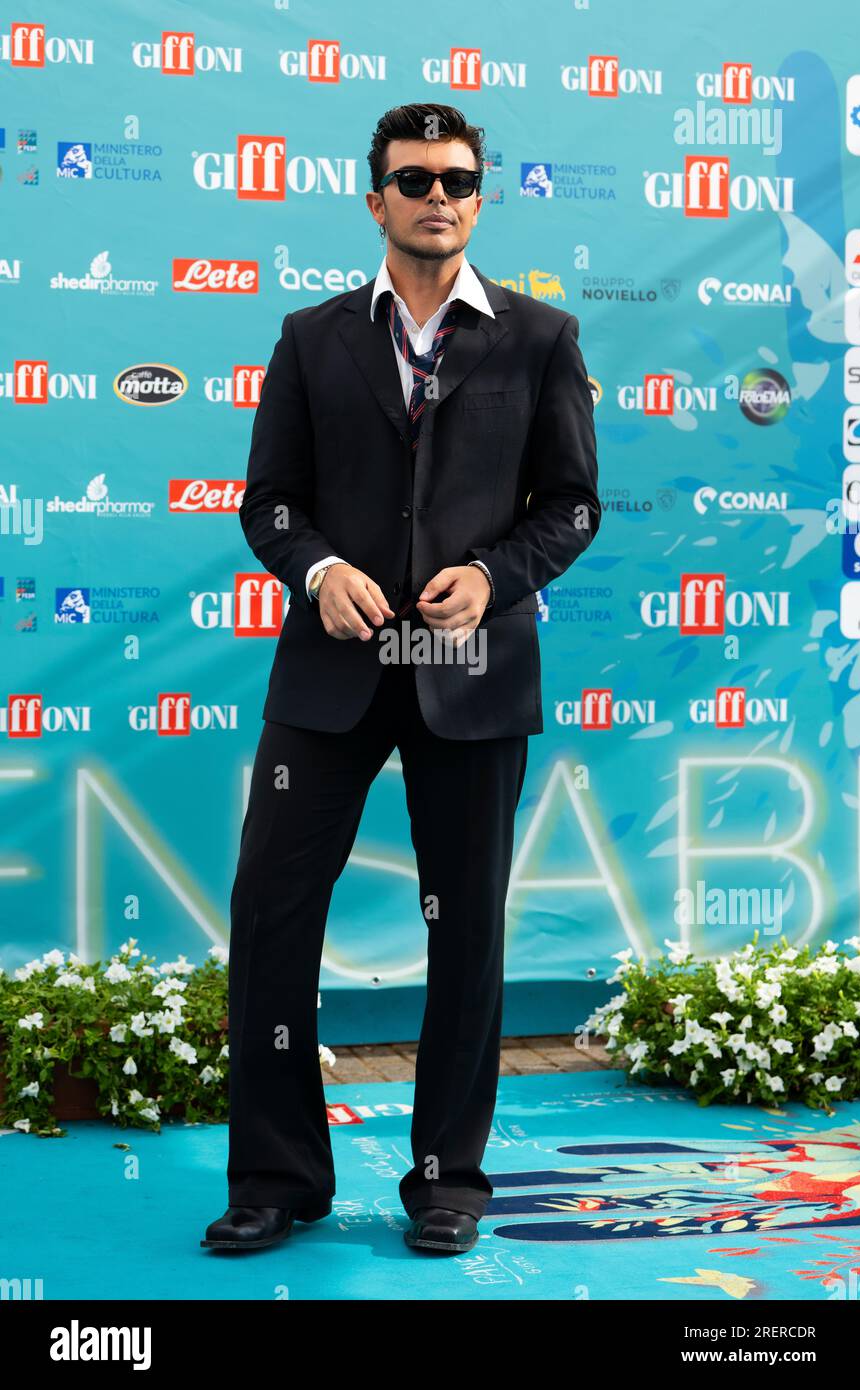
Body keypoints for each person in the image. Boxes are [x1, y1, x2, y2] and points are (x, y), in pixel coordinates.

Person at [202, 102, 600, 1256]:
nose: (439, 194)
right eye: (414, 177)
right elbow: (267, 501)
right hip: (331, 671)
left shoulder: (540, 338)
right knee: (273, 914)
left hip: (467, 672)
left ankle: (444, 1180)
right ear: (372, 197)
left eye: (459, 179)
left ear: (479, 198)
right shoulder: (310, 337)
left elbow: (569, 503)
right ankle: (276, 1178)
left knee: (463, 927)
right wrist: (315, 565)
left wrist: (493, 577)